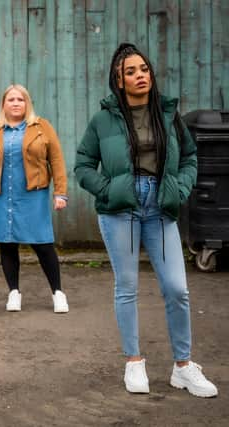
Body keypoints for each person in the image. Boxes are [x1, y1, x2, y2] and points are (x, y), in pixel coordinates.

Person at [74, 42, 218, 397]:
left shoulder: (167, 114)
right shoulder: (104, 119)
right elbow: (82, 166)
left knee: (177, 289)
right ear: (118, 80)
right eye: (131, 72)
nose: (140, 76)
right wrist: (109, 190)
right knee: (127, 288)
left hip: (160, 208)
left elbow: (189, 158)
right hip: (121, 209)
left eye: (144, 69)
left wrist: (179, 189)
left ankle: (182, 367)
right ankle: (134, 361)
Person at [0, 84, 69, 313]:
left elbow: (56, 160)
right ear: (3, 104)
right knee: (7, 244)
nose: (16, 103)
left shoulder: (41, 127)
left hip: (32, 195)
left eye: (21, 99)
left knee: (43, 244)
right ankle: (14, 293)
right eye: (11, 99)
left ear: (27, 103)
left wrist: (60, 192)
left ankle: (58, 293)